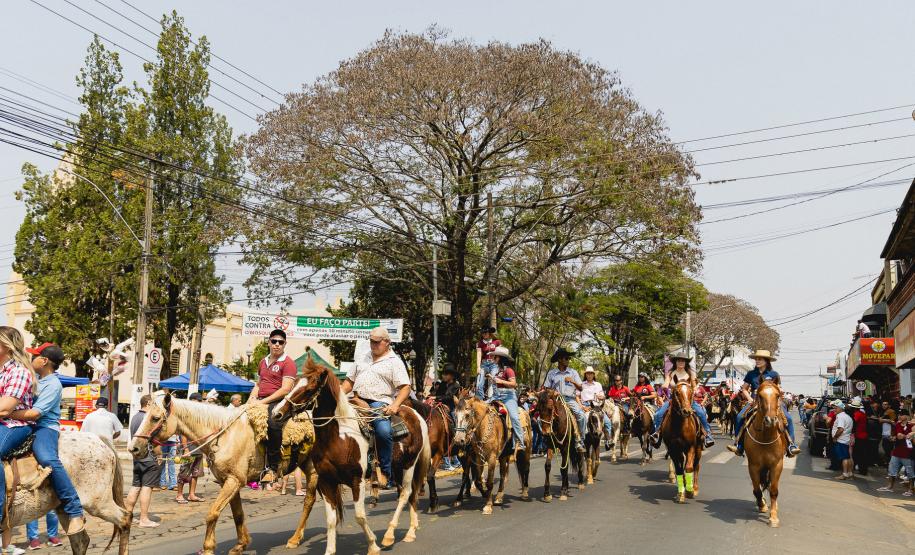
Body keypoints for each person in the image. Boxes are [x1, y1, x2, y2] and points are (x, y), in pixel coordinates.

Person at [8, 343, 84, 534]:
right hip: (24, 425)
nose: (30, 359)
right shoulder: (35, 380)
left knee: (47, 458)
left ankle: (74, 508)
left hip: (44, 427)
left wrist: (6, 413)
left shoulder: (53, 384)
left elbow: (35, 413)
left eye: (34, 357)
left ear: (44, 361)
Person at [342, 327, 411, 488]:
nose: (373, 344)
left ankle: (386, 473)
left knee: (383, 431)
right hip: (355, 399)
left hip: (378, 403)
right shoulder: (362, 357)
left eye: (377, 342)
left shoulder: (394, 362)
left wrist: (395, 405)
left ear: (387, 342)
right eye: (371, 341)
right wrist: (337, 394)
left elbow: (405, 387)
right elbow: (349, 383)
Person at [726, 350, 800, 457]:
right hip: (754, 401)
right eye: (756, 359)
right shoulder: (751, 374)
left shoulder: (774, 374)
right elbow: (744, 389)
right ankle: (739, 445)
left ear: (767, 361)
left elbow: (778, 388)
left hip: (772, 401)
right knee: (739, 417)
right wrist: (749, 399)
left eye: (760, 359)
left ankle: (791, 445)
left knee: (788, 418)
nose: (757, 361)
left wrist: (780, 391)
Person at [247, 329, 297, 485]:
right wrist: (251, 399)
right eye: (274, 341)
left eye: (280, 342)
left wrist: (262, 402)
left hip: (279, 401)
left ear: (285, 344)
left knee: (273, 423)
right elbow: (258, 384)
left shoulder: (288, 363)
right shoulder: (262, 361)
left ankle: (273, 468)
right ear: (268, 342)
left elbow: (285, 389)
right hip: (260, 398)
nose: (277, 345)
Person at [650, 351, 714, 449]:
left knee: (701, 413)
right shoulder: (671, 373)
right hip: (673, 399)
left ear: (685, 363)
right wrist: (665, 385)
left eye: (683, 361)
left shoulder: (690, 373)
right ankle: (657, 434)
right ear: (675, 362)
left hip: (688, 399)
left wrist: (694, 388)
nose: (681, 362)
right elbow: (666, 383)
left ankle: (708, 435)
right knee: (658, 414)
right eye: (679, 361)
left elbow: (694, 385)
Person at [543, 347, 586, 454]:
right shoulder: (552, 373)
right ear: (559, 360)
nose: (568, 360)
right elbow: (546, 388)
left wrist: (573, 381)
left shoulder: (573, 372)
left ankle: (580, 440)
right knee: (544, 414)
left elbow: (581, 388)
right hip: (556, 399)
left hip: (570, 399)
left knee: (581, 415)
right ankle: (547, 438)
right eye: (566, 358)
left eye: (568, 358)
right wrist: (553, 392)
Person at [126, 394, 161, 528]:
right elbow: (156, 441)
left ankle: (128, 516)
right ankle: (144, 519)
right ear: (147, 404)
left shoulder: (135, 417)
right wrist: (159, 456)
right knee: (147, 488)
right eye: (152, 403)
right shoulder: (148, 418)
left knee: (135, 487)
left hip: (137, 458)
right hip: (149, 457)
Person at [486, 346, 526, 452]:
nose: (493, 358)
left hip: (508, 397)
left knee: (514, 417)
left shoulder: (509, 370)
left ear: (501, 358)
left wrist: (501, 382)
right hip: (495, 396)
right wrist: (492, 378)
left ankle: (520, 442)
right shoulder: (496, 371)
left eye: (495, 356)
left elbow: (514, 384)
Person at [176, 392, 205, 504]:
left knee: (195, 473)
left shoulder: (200, 416)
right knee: (184, 472)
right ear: (192, 400)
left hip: (199, 449)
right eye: (198, 401)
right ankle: (179, 495)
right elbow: (183, 434)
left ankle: (192, 494)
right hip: (188, 449)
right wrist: (186, 449)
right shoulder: (186, 415)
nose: (199, 404)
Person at [431, 363, 461, 469]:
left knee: (456, 426)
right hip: (440, 407)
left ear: (451, 376)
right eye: (443, 374)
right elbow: (438, 393)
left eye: (446, 374)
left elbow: (449, 397)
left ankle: (459, 442)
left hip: (451, 409)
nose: (443, 376)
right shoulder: (443, 384)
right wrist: (433, 397)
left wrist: (436, 398)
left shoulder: (456, 386)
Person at [877, 409, 915, 494]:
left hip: (908, 453)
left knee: (910, 472)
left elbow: (906, 436)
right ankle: (890, 486)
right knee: (892, 469)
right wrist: (894, 437)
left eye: (901, 415)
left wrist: (905, 436)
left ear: (906, 416)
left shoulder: (911, 425)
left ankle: (911, 489)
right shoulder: (898, 424)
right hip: (897, 451)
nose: (899, 416)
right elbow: (897, 435)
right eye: (899, 415)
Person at [580, 367, 613, 449]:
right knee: (583, 420)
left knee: (607, 421)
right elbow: (577, 396)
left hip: (597, 406)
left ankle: (608, 440)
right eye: (588, 373)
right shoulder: (581, 384)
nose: (589, 375)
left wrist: (601, 396)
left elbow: (603, 396)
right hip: (586, 405)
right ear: (585, 375)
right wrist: (582, 406)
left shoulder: (598, 384)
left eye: (591, 373)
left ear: (593, 374)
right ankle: (581, 441)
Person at [475, 327, 501, 400]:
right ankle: (480, 400)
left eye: (486, 333)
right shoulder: (480, 343)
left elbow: (499, 353)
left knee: (494, 380)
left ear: (489, 333)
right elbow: (479, 354)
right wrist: (478, 367)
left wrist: (496, 361)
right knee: (479, 383)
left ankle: (495, 399)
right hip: (484, 364)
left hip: (493, 364)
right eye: (483, 333)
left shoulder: (497, 341)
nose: (484, 334)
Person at [831, 400, 854, 480]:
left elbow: (840, 429)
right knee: (848, 457)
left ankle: (844, 474)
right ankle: (850, 473)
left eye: (836, 408)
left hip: (842, 440)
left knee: (844, 458)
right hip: (846, 439)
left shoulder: (841, 417)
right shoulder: (848, 417)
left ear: (841, 408)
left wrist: (835, 437)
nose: (834, 409)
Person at [849, 397, 869, 475]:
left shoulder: (856, 414)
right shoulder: (863, 414)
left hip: (858, 436)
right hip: (864, 435)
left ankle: (856, 468)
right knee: (863, 454)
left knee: (857, 454)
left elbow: (853, 424)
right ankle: (863, 469)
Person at [880, 401, 898, 466]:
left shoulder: (891, 411)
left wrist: (884, 420)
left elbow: (894, 422)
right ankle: (888, 462)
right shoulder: (884, 412)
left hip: (889, 433)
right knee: (886, 447)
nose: (884, 406)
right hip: (884, 433)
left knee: (888, 449)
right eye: (883, 404)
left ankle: (890, 463)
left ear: (889, 405)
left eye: (885, 404)